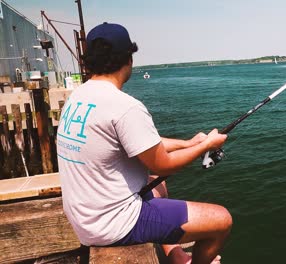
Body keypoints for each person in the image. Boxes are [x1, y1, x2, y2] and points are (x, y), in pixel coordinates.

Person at [57, 22, 232, 264]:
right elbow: (163, 165)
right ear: (127, 59)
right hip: (112, 224)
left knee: (156, 187)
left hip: (84, 217)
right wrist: (206, 145)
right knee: (221, 220)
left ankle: (175, 255)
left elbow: (145, 143)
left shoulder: (78, 96)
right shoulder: (124, 106)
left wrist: (188, 142)